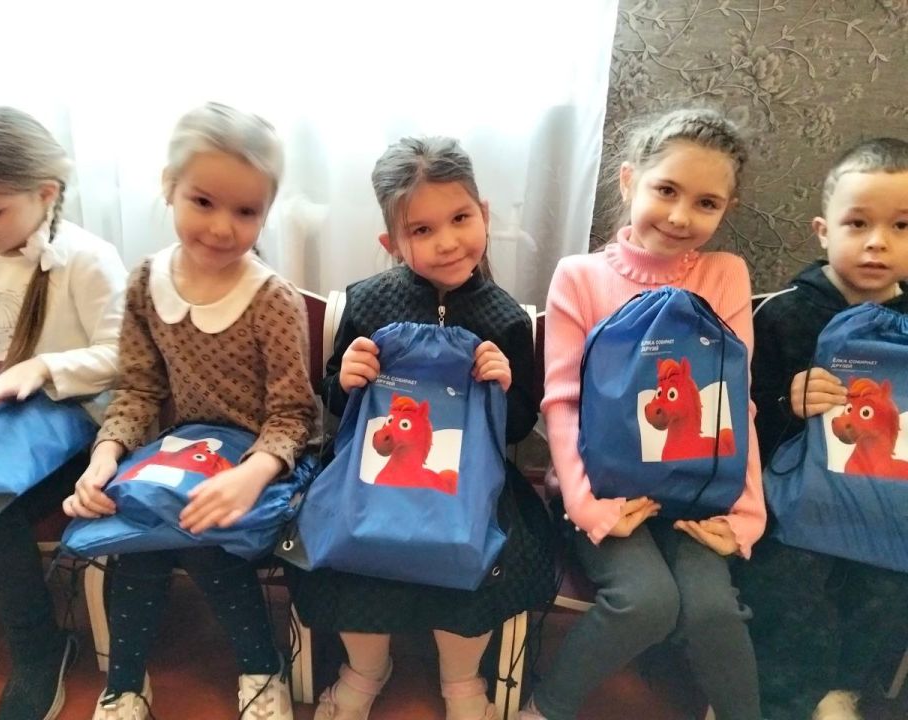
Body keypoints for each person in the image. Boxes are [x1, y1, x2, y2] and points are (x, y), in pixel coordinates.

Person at [63, 102, 317, 720]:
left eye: (246, 211)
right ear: (169, 188)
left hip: (264, 460)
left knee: (202, 537)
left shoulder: (272, 300)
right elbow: (138, 390)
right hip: (178, 456)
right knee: (135, 539)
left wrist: (250, 474)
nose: (223, 228)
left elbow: (292, 416)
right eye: (203, 201)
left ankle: (262, 669)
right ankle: (124, 685)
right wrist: (103, 459)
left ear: (265, 213)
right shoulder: (145, 282)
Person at [291, 136, 555, 720]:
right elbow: (336, 402)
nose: (448, 241)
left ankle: (462, 681)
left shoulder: (506, 318)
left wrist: (506, 384)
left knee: (479, 558)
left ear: (484, 214)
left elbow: (518, 428)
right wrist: (347, 377)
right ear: (391, 243)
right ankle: (365, 668)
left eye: (460, 218)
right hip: (373, 475)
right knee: (352, 554)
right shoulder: (367, 303)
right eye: (422, 230)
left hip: (471, 479)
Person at [524, 108, 765, 720]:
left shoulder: (725, 274)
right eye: (666, 190)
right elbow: (562, 402)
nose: (681, 217)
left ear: (727, 209)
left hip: (698, 489)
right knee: (645, 601)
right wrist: (585, 505)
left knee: (711, 609)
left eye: (706, 203)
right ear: (629, 180)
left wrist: (746, 514)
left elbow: (733, 404)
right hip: (604, 488)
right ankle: (546, 709)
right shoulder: (579, 276)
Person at [0, 106, 127, 720]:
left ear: (45, 193)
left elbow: (123, 356)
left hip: (63, 432)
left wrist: (43, 368)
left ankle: (40, 650)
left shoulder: (86, 259)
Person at [738, 137, 908, 720]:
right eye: (858, 223)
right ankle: (792, 700)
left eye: (901, 226)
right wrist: (786, 403)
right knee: (787, 586)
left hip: (886, 504)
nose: (878, 242)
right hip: (793, 506)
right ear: (822, 231)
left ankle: (842, 691)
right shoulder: (783, 314)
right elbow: (738, 420)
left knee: (890, 588)